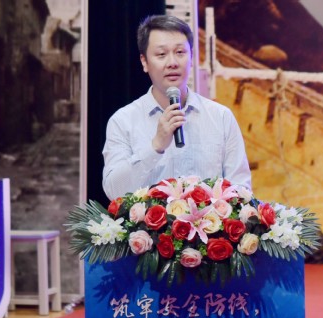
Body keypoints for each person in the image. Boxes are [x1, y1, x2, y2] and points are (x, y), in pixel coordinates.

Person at [102, 14, 252, 200]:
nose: (172, 62)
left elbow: (241, 190)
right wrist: (156, 146)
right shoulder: (123, 121)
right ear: (144, 62)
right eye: (161, 54)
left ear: (192, 57)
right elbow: (114, 192)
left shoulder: (221, 117)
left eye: (180, 52)